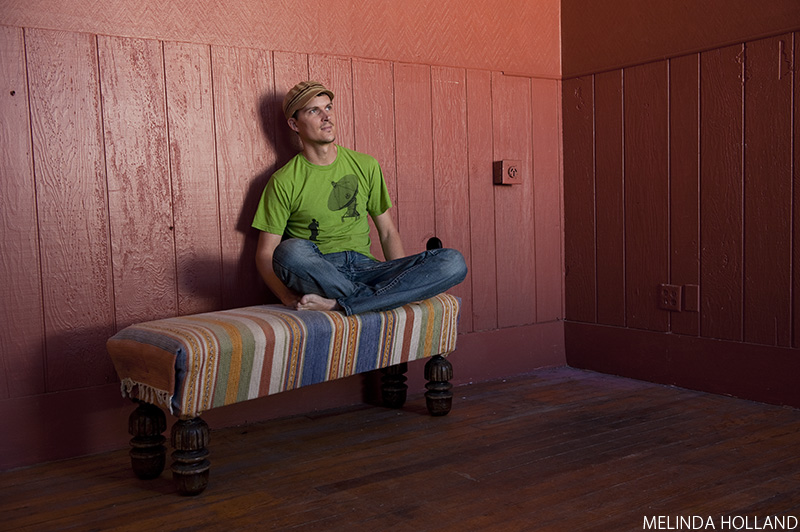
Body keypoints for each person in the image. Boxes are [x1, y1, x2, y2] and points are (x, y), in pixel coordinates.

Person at [252, 81, 467, 315]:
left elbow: (387, 232)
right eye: (314, 111)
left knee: (452, 261)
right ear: (294, 124)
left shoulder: (366, 165)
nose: (326, 117)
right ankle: (374, 298)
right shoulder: (283, 181)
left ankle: (341, 303)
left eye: (328, 107)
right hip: (323, 272)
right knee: (288, 251)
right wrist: (287, 297)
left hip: (369, 269)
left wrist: (400, 272)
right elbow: (266, 254)